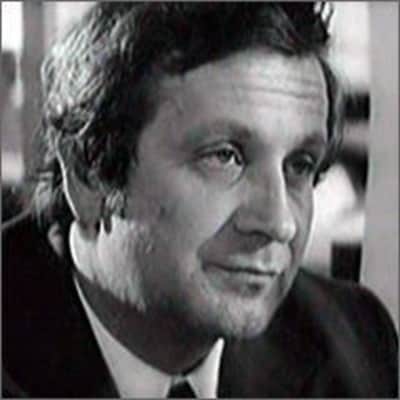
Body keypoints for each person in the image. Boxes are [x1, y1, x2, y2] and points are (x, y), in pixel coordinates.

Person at [3, 3, 398, 398]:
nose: (279, 223)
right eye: (225, 156)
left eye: (300, 165)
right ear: (89, 178)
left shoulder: (356, 342)